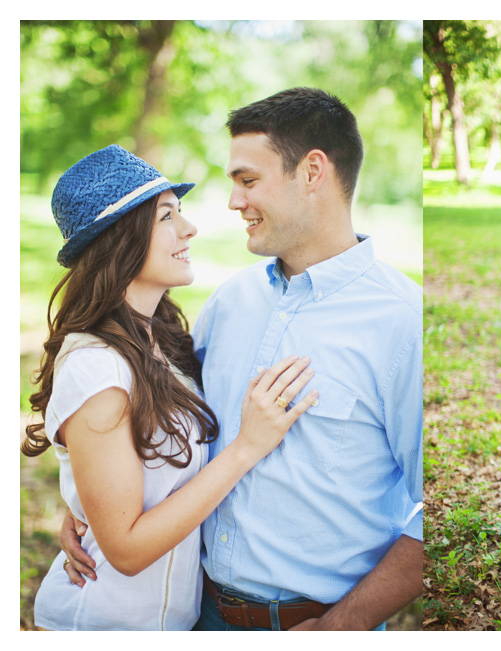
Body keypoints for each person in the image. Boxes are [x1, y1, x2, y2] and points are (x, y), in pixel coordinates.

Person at [60, 89, 423, 631]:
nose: (232, 202)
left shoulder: (402, 322)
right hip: (194, 615)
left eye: (248, 181)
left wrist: (334, 630)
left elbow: (427, 515)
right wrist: (93, 493)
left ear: (313, 172)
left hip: (314, 623)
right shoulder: (230, 302)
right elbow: (159, 419)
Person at [23, 145, 317, 630]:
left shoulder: (164, 338)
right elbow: (127, 551)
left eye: (180, 213)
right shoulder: (95, 366)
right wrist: (246, 449)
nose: (189, 229)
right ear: (121, 238)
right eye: (166, 216)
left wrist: (88, 508)